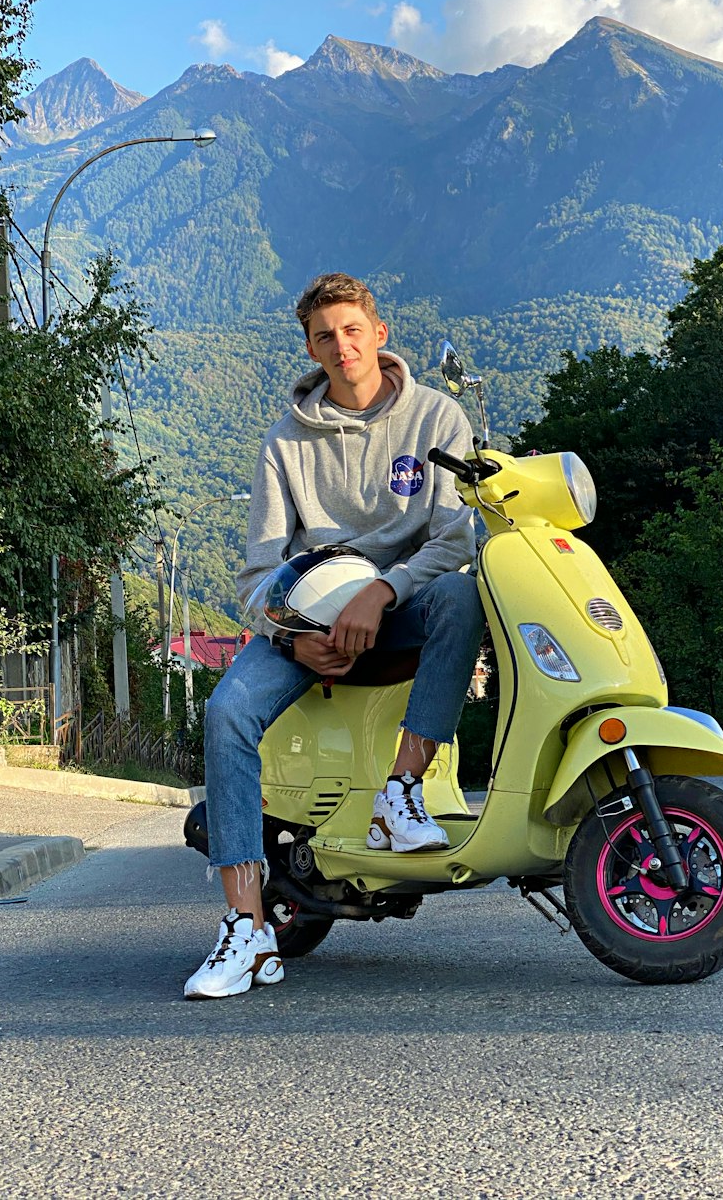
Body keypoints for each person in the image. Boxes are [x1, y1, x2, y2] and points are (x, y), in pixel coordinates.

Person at [184, 272, 484, 999]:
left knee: (464, 595)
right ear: (311, 349)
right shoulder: (285, 444)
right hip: (306, 622)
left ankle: (400, 794)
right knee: (226, 712)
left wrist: (382, 592)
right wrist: (291, 639)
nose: (341, 346)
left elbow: (453, 539)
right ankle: (247, 928)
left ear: (379, 334)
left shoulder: (438, 417)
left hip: (401, 605)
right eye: (325, 336)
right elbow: (258, 572)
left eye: (353, 330)